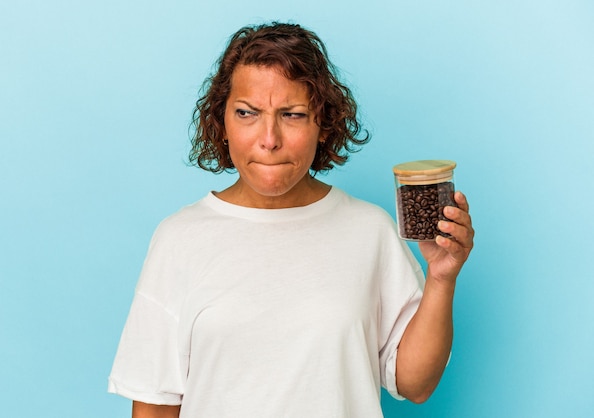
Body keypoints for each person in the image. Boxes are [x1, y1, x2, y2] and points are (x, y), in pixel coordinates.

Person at [108, 22, 474, 418]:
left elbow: (415, 384)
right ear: (222, 123)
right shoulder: (178, 239)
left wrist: (441, 278)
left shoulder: (369, 230)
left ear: (323, 125)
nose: (269, 139)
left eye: (293, 114)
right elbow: (155, 406)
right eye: (247, 113)